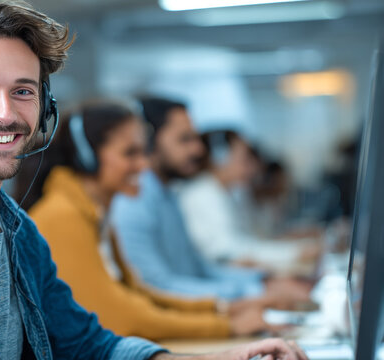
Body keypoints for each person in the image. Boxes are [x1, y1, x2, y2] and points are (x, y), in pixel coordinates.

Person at [0, 2, 308, 359]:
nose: (4, 113)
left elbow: (89, 345)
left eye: (22, 91)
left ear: (45, 110)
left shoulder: (18, 232)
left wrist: (226, 357)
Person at [28, 100, 271, 341]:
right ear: (87, 157)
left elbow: (139, 294)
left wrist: (221, 309)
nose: (144, 165)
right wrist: (223, 326)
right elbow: (121, 317)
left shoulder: (93, 214)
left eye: (144, 152)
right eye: (130, 153)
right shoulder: (63, 216)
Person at [110, 97, 310, 306]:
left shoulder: (168, 196)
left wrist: (262, 281)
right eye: (184, 139)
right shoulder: (133, 201)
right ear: (148, 142)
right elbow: (157, 287)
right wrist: (254, 292)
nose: (198, 150)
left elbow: (199, 269)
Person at [178, 130, 320, 275]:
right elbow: (230, 253)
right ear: (220, 158)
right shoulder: (201, 195)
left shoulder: (226, 194)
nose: (250, 167)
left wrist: (294, 250)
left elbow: (246, 244)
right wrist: (294, 252)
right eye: (244, 159)